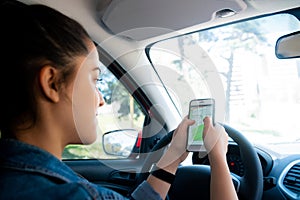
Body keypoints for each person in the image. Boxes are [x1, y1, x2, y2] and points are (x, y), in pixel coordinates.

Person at [0, 1, 238, 200]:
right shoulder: (70, 193)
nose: (100, 100)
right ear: (52, 83)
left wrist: (173, 156)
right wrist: (218, 159)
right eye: (94, 80)